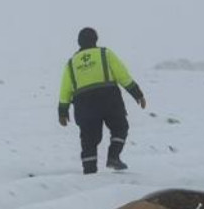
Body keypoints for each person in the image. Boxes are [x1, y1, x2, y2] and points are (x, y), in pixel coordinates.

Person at [58, 27, 146, 174]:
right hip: (109, 99)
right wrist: (137, 94)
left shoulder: (71, 63)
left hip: (83, 103)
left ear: (79, 42)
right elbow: (122, 75)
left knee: (88, 139)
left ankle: (89, 171)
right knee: (119, 127)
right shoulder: (105, 54)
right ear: (96, 39)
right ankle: (113, 157)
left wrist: (62, 111)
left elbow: (65, 89)